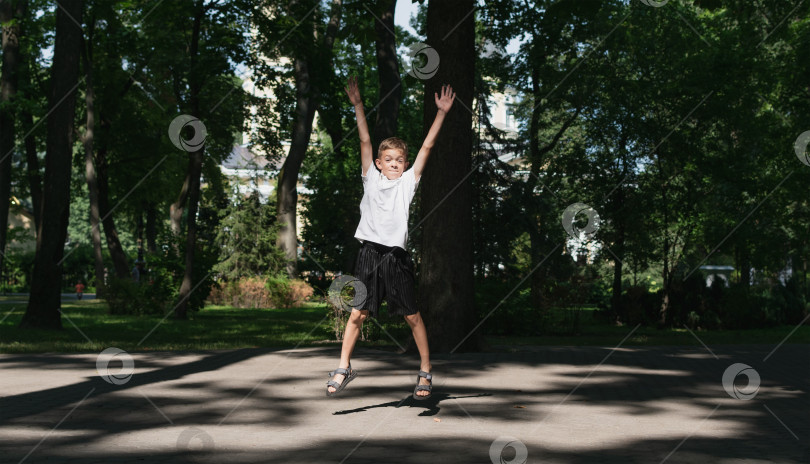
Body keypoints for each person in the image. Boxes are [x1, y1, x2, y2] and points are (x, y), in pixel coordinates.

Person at [326, 76, 455, 400]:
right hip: (368, 254)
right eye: (389, 160)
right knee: (357, 314)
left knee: (412, 315)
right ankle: (343, 366)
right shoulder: (370, 178)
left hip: (396, 258)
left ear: (405, 164)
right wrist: (357, 105)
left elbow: (427, 146)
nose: (394, 164)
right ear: (379, 164)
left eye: (400, 160)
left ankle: (425, 372)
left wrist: (441, 113)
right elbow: (366, 141)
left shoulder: (408, 183)